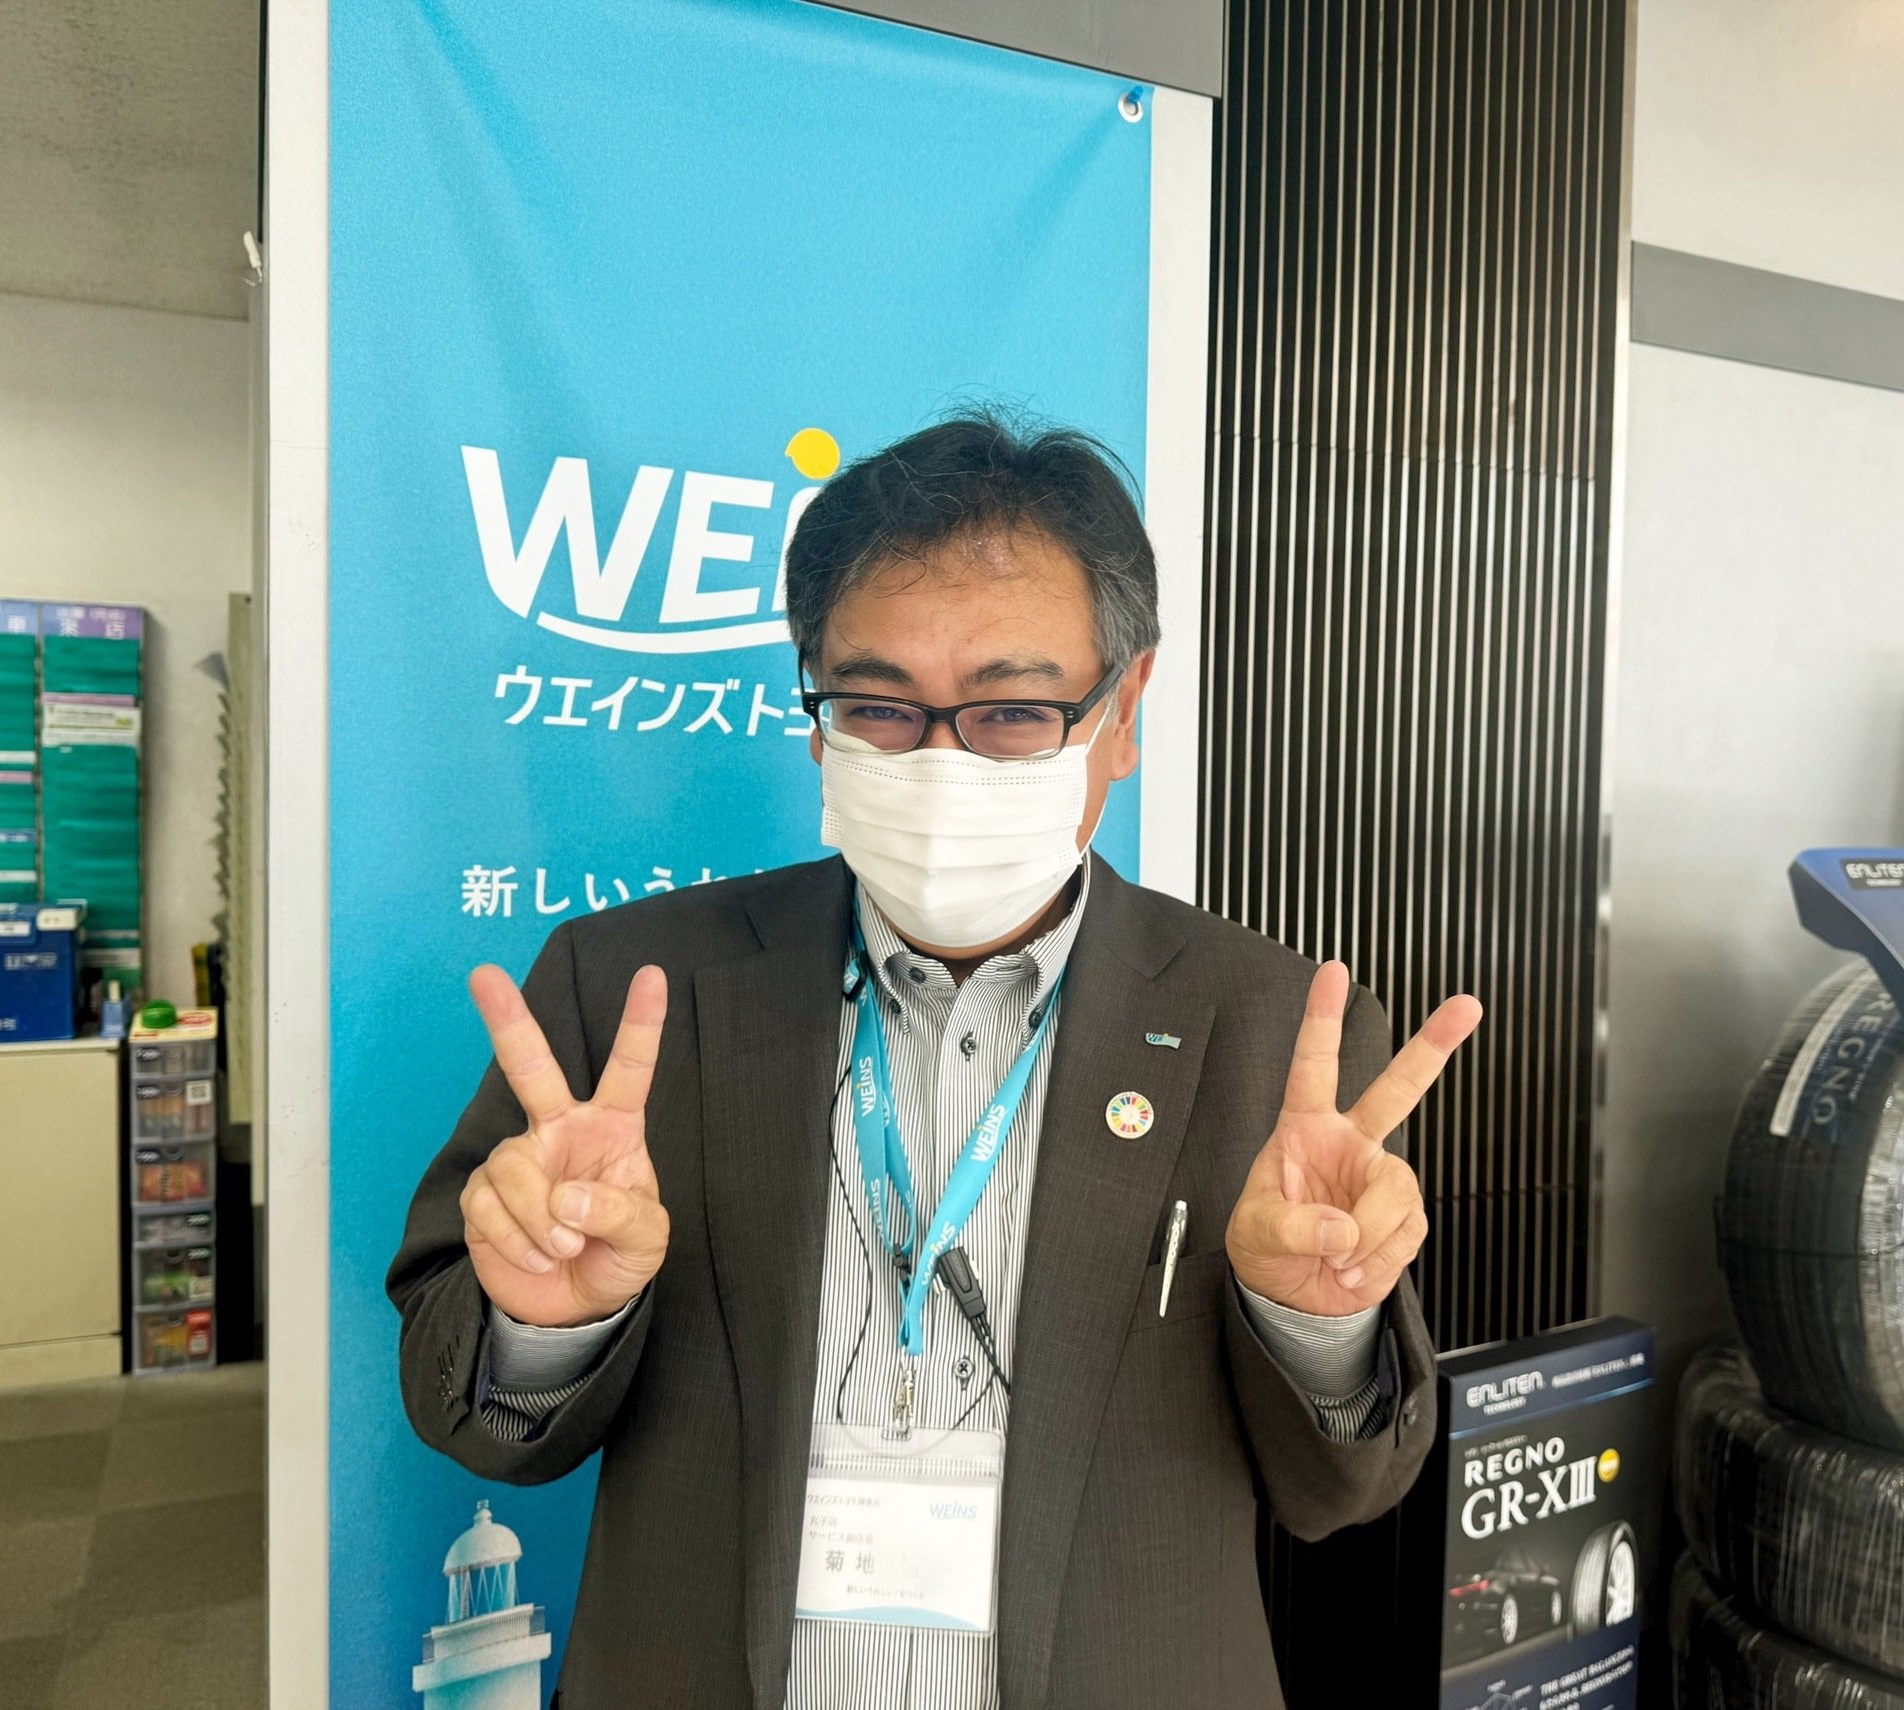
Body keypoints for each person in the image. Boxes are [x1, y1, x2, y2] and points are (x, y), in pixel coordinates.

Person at [388, 413, 1483, 1709]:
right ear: (817, 717)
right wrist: (543, 1321)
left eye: (1014, 711)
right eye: (880, 707)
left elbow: (1345, 1486)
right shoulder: (630, 993)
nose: (942, 761)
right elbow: (474, 1420)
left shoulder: (1274, 1029)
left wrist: (1317, 1323)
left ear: (1123, 711)